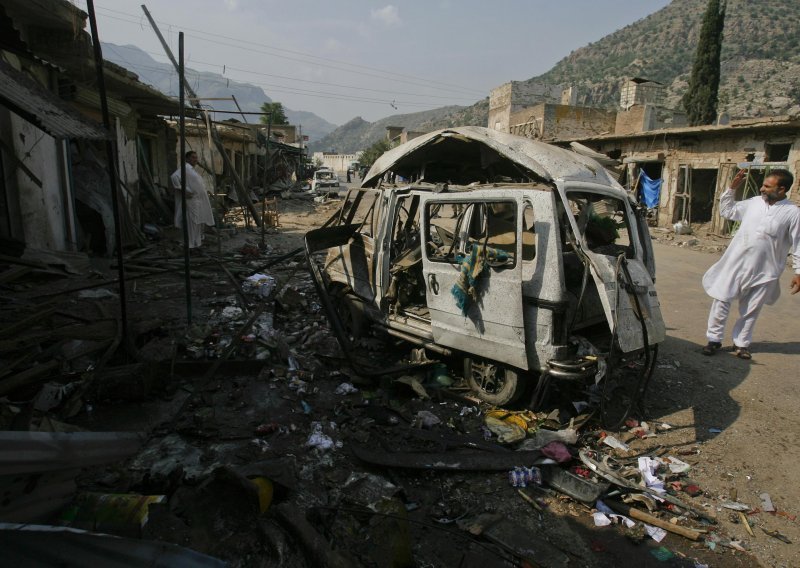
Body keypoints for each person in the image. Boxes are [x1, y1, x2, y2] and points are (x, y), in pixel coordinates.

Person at [702, 168, 800, 359]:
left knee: (752, 308)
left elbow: (798, 243)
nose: (762, 189)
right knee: (721, 300)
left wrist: (798, 272)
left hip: (766, 270)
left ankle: (741, 344)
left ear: (782, 189)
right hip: (735, 263)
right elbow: (727, 210)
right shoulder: (754, 203)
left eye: (767, 186)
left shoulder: (793, 213)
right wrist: (732, 189)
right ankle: (713, 340)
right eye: (763, 185)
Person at [170, 151, 215, 249]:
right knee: (192, 222)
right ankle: (190, 244)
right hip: (192, 200)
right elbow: (174, 177)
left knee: (198, 222)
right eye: (193, 157)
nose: (195, 159)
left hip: (198, 201)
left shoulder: (191, 170)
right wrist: (184, 190)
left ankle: (197, 243)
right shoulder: (185, 168)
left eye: (196, 157)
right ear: (187, 159)